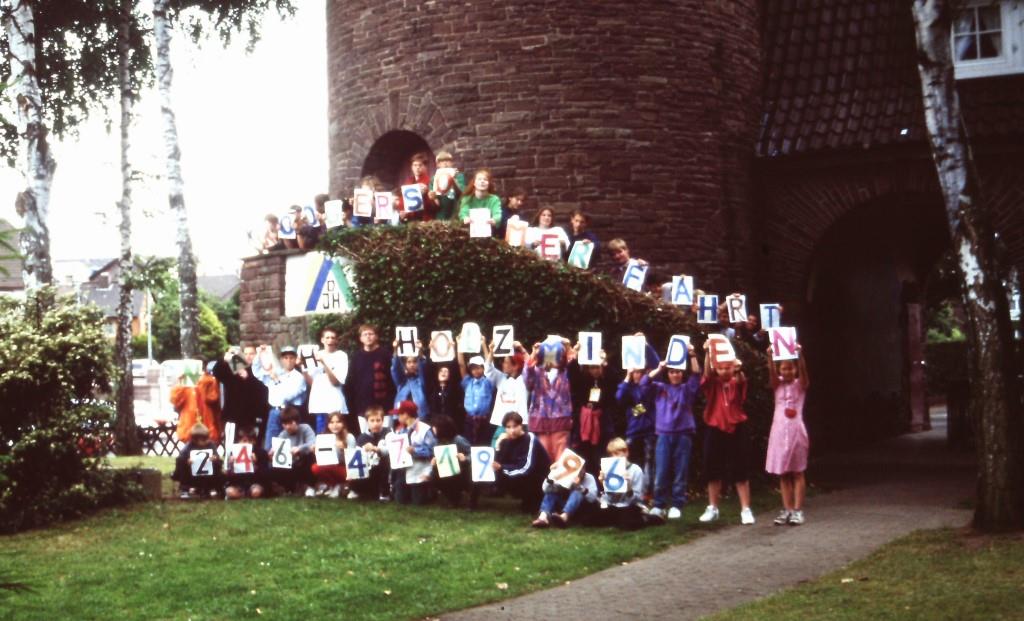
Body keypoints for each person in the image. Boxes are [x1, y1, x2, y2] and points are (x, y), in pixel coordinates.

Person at [646, 343, 702, 521]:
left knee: (680, 471)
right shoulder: (659, 388)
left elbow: (696, 375)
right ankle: (658, 505)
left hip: (683, 434)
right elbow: (644, 382)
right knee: (661, 471)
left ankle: (677, 504)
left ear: (681, 373)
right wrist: (660, 367)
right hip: (663, 434)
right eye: (672, 372)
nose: (675, 374)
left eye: (678, 371)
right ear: (668, 374)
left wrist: (692, 354)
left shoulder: (687, 389)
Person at [700, 351, 754, 525]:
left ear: (733, 367)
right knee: (712, 469)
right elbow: (707, 374)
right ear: (717, 368)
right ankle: (713, 508)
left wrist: (738, 369)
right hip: (715, 427)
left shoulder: (738, 380)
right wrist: (708, 353)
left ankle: (745, 509)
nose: (724, 371)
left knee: (741, 468)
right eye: (721, 368)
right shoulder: (712, 383)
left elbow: (741, 381)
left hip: (737, 427)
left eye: (728, 368)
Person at [766, 344, 810, 525]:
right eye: (784, 368)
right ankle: (787, 508)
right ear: (780, 370)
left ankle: (798, 510)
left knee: (798, 471)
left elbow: (804, 375)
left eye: (790, 367)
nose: (788, 371)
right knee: (783, 473)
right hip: (779, 432)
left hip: (796, 431)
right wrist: (769, 357)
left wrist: (799, 356)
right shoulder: (777, 385)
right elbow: (772, 376)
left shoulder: (800, 385)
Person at [567, 345, 617, 477]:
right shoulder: (583, 380)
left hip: (602, 422)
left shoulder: (607, 379)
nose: (594, 370)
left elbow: (614, 381)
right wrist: (576, 356)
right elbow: (572, 376)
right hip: (584, 423)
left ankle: (603, 486)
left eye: (597, 367)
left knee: (602, 455)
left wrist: (605, 362)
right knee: (583, 453)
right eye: (592, 367)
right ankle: (585, 484)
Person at [524, 337, 575, 460]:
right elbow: (527, 381)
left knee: (561, 457)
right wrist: (534, 354)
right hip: (540, 422)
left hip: (561, 423)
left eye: (555, 354)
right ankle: (545, 480)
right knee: (543, 457)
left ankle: (559, 480)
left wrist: (568, 348)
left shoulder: (566, 372)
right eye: (548, 354)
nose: (551, 358)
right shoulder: (536, 371)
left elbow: (575, 367)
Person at [494, 412, 551, 512]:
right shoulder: (506, 441)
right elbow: (498, 463)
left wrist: (502, 468)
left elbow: (526, 468)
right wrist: (498, 445)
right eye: (508, 427)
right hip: (522, 477)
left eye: (515, 426)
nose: (512, 430)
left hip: (539, 480)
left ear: (521, 425)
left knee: (529, 507)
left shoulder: (530, 438)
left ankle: (537, 500)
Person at [213, 349, 269, 446]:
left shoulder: (260, 370)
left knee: (254, 444)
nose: (248, 356)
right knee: (232, 445)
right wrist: (223, 359)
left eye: (251, 354)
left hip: (253, 417)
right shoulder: (234, 367)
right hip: (233, 415)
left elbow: (263, 390)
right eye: (245, 354)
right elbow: (217, 372)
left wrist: (248, 378)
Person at [347, 324, 395, 432]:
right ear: (361, 338)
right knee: (366, 437)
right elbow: (352, 382)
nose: (368, 337)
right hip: (363, 405)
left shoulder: (385, 354)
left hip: (384, 405)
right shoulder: (356, 357)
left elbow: (393, 379)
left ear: (376, 336)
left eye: (371, 334)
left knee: (386, 436)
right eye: (365, 334)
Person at [261, 346, 308, 451]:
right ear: (281, 360)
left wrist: (277, 381)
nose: (288, 360)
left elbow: (286, 396)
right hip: (275, 411)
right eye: (286, 358)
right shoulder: (276, 373)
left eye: (291, 358)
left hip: (290, 413)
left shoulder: (299, 377)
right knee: (271, 445)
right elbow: (272, 397)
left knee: (290, 445)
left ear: (295, 360)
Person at [304, 326, 349, 434]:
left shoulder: (341, 356)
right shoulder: (315, 354)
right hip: (319, 404)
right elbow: (311, 382)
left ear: (337, 340)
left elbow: (335, 382)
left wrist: (324, 363)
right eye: (327, 337)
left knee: (338, 438)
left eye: (333, 338)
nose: (330, 340)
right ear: (322, 340)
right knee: (322, 439)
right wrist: (303, 369)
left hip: (335, 405)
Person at [596, 437, 647, 530]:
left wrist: (628, 487)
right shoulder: (610, 469)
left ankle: (647, 518)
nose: (614, 457)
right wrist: (603, 483)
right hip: (614, 505)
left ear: (626, 452)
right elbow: (609, 498)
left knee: (627, 523)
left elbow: (637, 499)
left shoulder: (636, 470)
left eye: (616, 453)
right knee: (590, 518)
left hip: (629, 505)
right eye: (611, 455)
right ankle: (615, 519)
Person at [393, 400, 437, 505]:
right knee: (400, 500)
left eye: (399, 414)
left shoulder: (424, 430)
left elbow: (432, 450)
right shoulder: (400, 430)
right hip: (404, 469)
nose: (397, 417)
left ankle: (430, 490)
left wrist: (415, 450)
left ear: (406, 415)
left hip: (420, 468)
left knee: (418, 502)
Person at [485, 344, 529, 440]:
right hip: (501, 424)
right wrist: (491, 351)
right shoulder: (501, 378)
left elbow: (530, 366)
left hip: (518, 425)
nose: (503, 364)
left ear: (516, 366)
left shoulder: (524, 380)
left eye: (506, 362)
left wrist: (522, 348)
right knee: (496, 450)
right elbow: (488, 369)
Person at [430, 414, 474, 508]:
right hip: (445, 471)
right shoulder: (437, 442)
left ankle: (461, 496)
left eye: (435, 426)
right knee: (434, 476)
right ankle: (453, 498)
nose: (433, 428)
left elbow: (473, 454)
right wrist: (434, 463)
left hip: (462, 472)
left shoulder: (458, 440)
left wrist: (465, 458)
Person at [456, 345, 496, 448]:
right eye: (473, 368)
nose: (475, 371)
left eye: (478, 368)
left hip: (484, 421)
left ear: (483, 368)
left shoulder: (488, 382)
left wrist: (484, 345)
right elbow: (461, 365)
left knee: (482, 446)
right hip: (469, 420)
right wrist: (459, 344)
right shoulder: (467, 382)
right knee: (468, 445)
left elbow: (490, 365)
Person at [533, 468, 599, 528]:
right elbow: (545, 489)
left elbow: (592, 498)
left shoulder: (589, 478)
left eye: (581, 469)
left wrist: (579, 487)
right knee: (552, 491)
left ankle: (564, 517)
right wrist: (551, 480)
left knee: (577, 492)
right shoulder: (562, 474)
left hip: (579, 507)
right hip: (561, 503)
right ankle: (543, 517)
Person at [272, 406, 316, 496]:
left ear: (296, 422)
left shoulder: (305, 428)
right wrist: (273, 452)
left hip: (305, 461)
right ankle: (288, 487)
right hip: (291, 464)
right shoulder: (282, 434)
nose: (287, 427)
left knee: (310, 455)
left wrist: (300, 448)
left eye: (290, 423)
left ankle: (309, 486)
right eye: (284, 424)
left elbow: (312, 444)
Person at [172, 423, 223, 500]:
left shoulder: (211, 445)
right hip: (191, 475)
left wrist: (215, 459)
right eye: (200, 439)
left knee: (218, 469)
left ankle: (212, 489)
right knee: (182, 464)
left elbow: (218, 460)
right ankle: (185, 489)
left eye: (205, 439)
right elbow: (180, 460)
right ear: (194, 439)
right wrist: (187, 462)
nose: (203, 442)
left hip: (208, 474)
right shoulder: (188, 447)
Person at [311, 412, 357, 498]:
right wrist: (316, 452)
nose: (335, 425)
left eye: (338, 422)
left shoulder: (349, 437)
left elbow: (353, 460)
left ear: (343, 423)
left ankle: (343, 486)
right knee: (315, 467)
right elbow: (323, 460)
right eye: (331, 422)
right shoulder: (324, 437)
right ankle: (334, 486)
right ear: (328, 424)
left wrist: (343, 449)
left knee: (330, 468)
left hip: (346, 469)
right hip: (331, 466)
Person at [352, 406, 391, 501]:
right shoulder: (362, 437)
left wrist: (375, 449)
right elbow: (356, 457)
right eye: (372, 421)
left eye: (378, 420)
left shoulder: (388, 433)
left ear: (383, 421)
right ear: (367, 422)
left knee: (384, 463)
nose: (375, 424)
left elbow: (389, 450)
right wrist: (364, 450)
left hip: (384, 466)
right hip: (369, 467)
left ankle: (385, 491)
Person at [224, 426, 269, 500]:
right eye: (243, 441)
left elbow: (265, 476)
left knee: (256, 492)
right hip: (239, 484)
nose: (245, 443)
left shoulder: (261, 453)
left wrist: (255, 464)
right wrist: (231, 467)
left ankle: (248, 495)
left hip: (255, 483)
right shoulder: (234, 452)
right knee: (230, 492)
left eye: (249, 441)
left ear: (253, 441)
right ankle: (243, 495)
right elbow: (229, 478)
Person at [391, 339, 430, 422]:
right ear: (405, 365)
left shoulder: (421, 379)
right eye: (409, 362)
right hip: (402, 414)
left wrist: (420, 351)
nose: (412, 364)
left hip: (419, 414)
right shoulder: (401, 381)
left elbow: (423, 367)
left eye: (414, 362)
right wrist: (395, 349)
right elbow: (395, 368)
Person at [426, 361, 465, 433]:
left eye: (446, 371)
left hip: (452, 425)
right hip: (436, 424)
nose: (443, 373)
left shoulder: (455, 390)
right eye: (441, 371)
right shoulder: (432, 390)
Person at [399, 153, 438, 221]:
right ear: (411, 167)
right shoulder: (407, 183)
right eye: (415, 165)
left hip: (425, 219)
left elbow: (435, 206)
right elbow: (402, 203)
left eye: (420, 165)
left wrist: (427, 193)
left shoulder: (431, 182)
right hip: (410, 220)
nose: (417, 167)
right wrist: (402, 213)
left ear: (425, 167)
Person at [429, 150, 466, 220]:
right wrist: (433, 198)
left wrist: (452, 179)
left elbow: (463, 194)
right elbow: (434, 203)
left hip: (455, 211)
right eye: (442, 161)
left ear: (452, 163)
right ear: (438, 165)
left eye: (448, 161)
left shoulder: (459, 176)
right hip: (441, 214)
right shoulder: (434, 179)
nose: (445, 163)